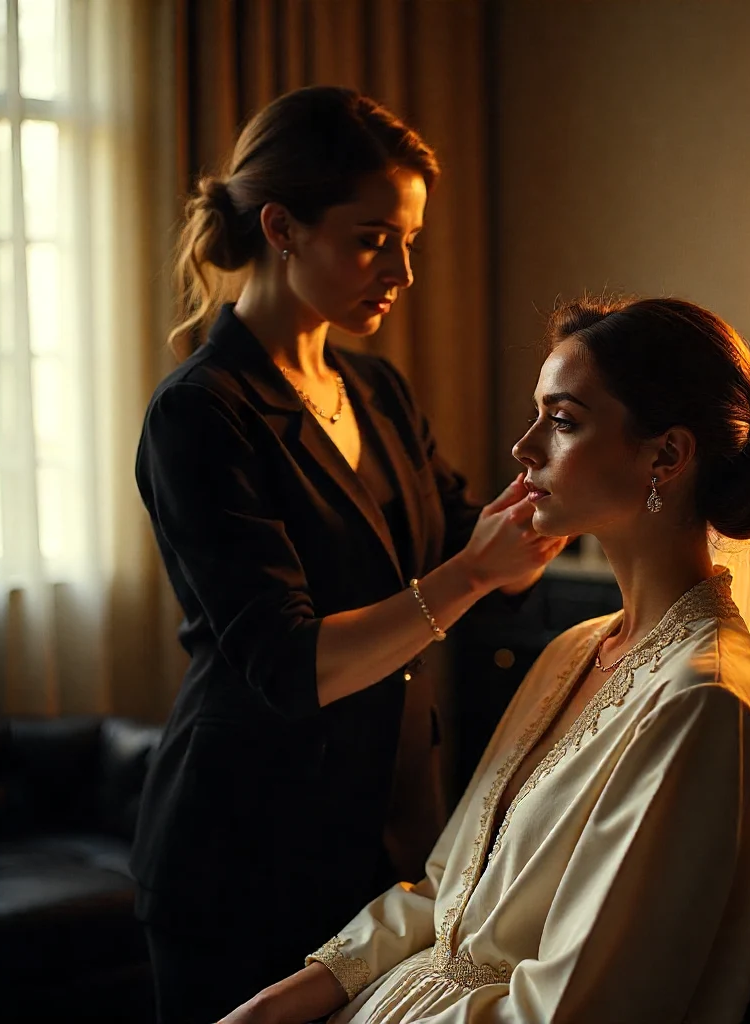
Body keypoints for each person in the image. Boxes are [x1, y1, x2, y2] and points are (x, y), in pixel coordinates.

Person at [219, 296, 750, 1024]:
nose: (523, 449)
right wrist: (280, 1003)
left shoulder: (705, 705)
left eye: (562, 422)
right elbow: (444, 893)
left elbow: (576, 1010)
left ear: (667, 455)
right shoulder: (576, 650)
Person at [132, 86, 566, 1024]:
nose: (402, 271)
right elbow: (289, 665)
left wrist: (549, 508)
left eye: (410, 239)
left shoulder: (375, 389)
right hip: (243, 848)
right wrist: (472, 572)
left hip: (390, 832)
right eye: (374, 238)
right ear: (281, 227)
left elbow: (462, 547)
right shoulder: (203, 413)